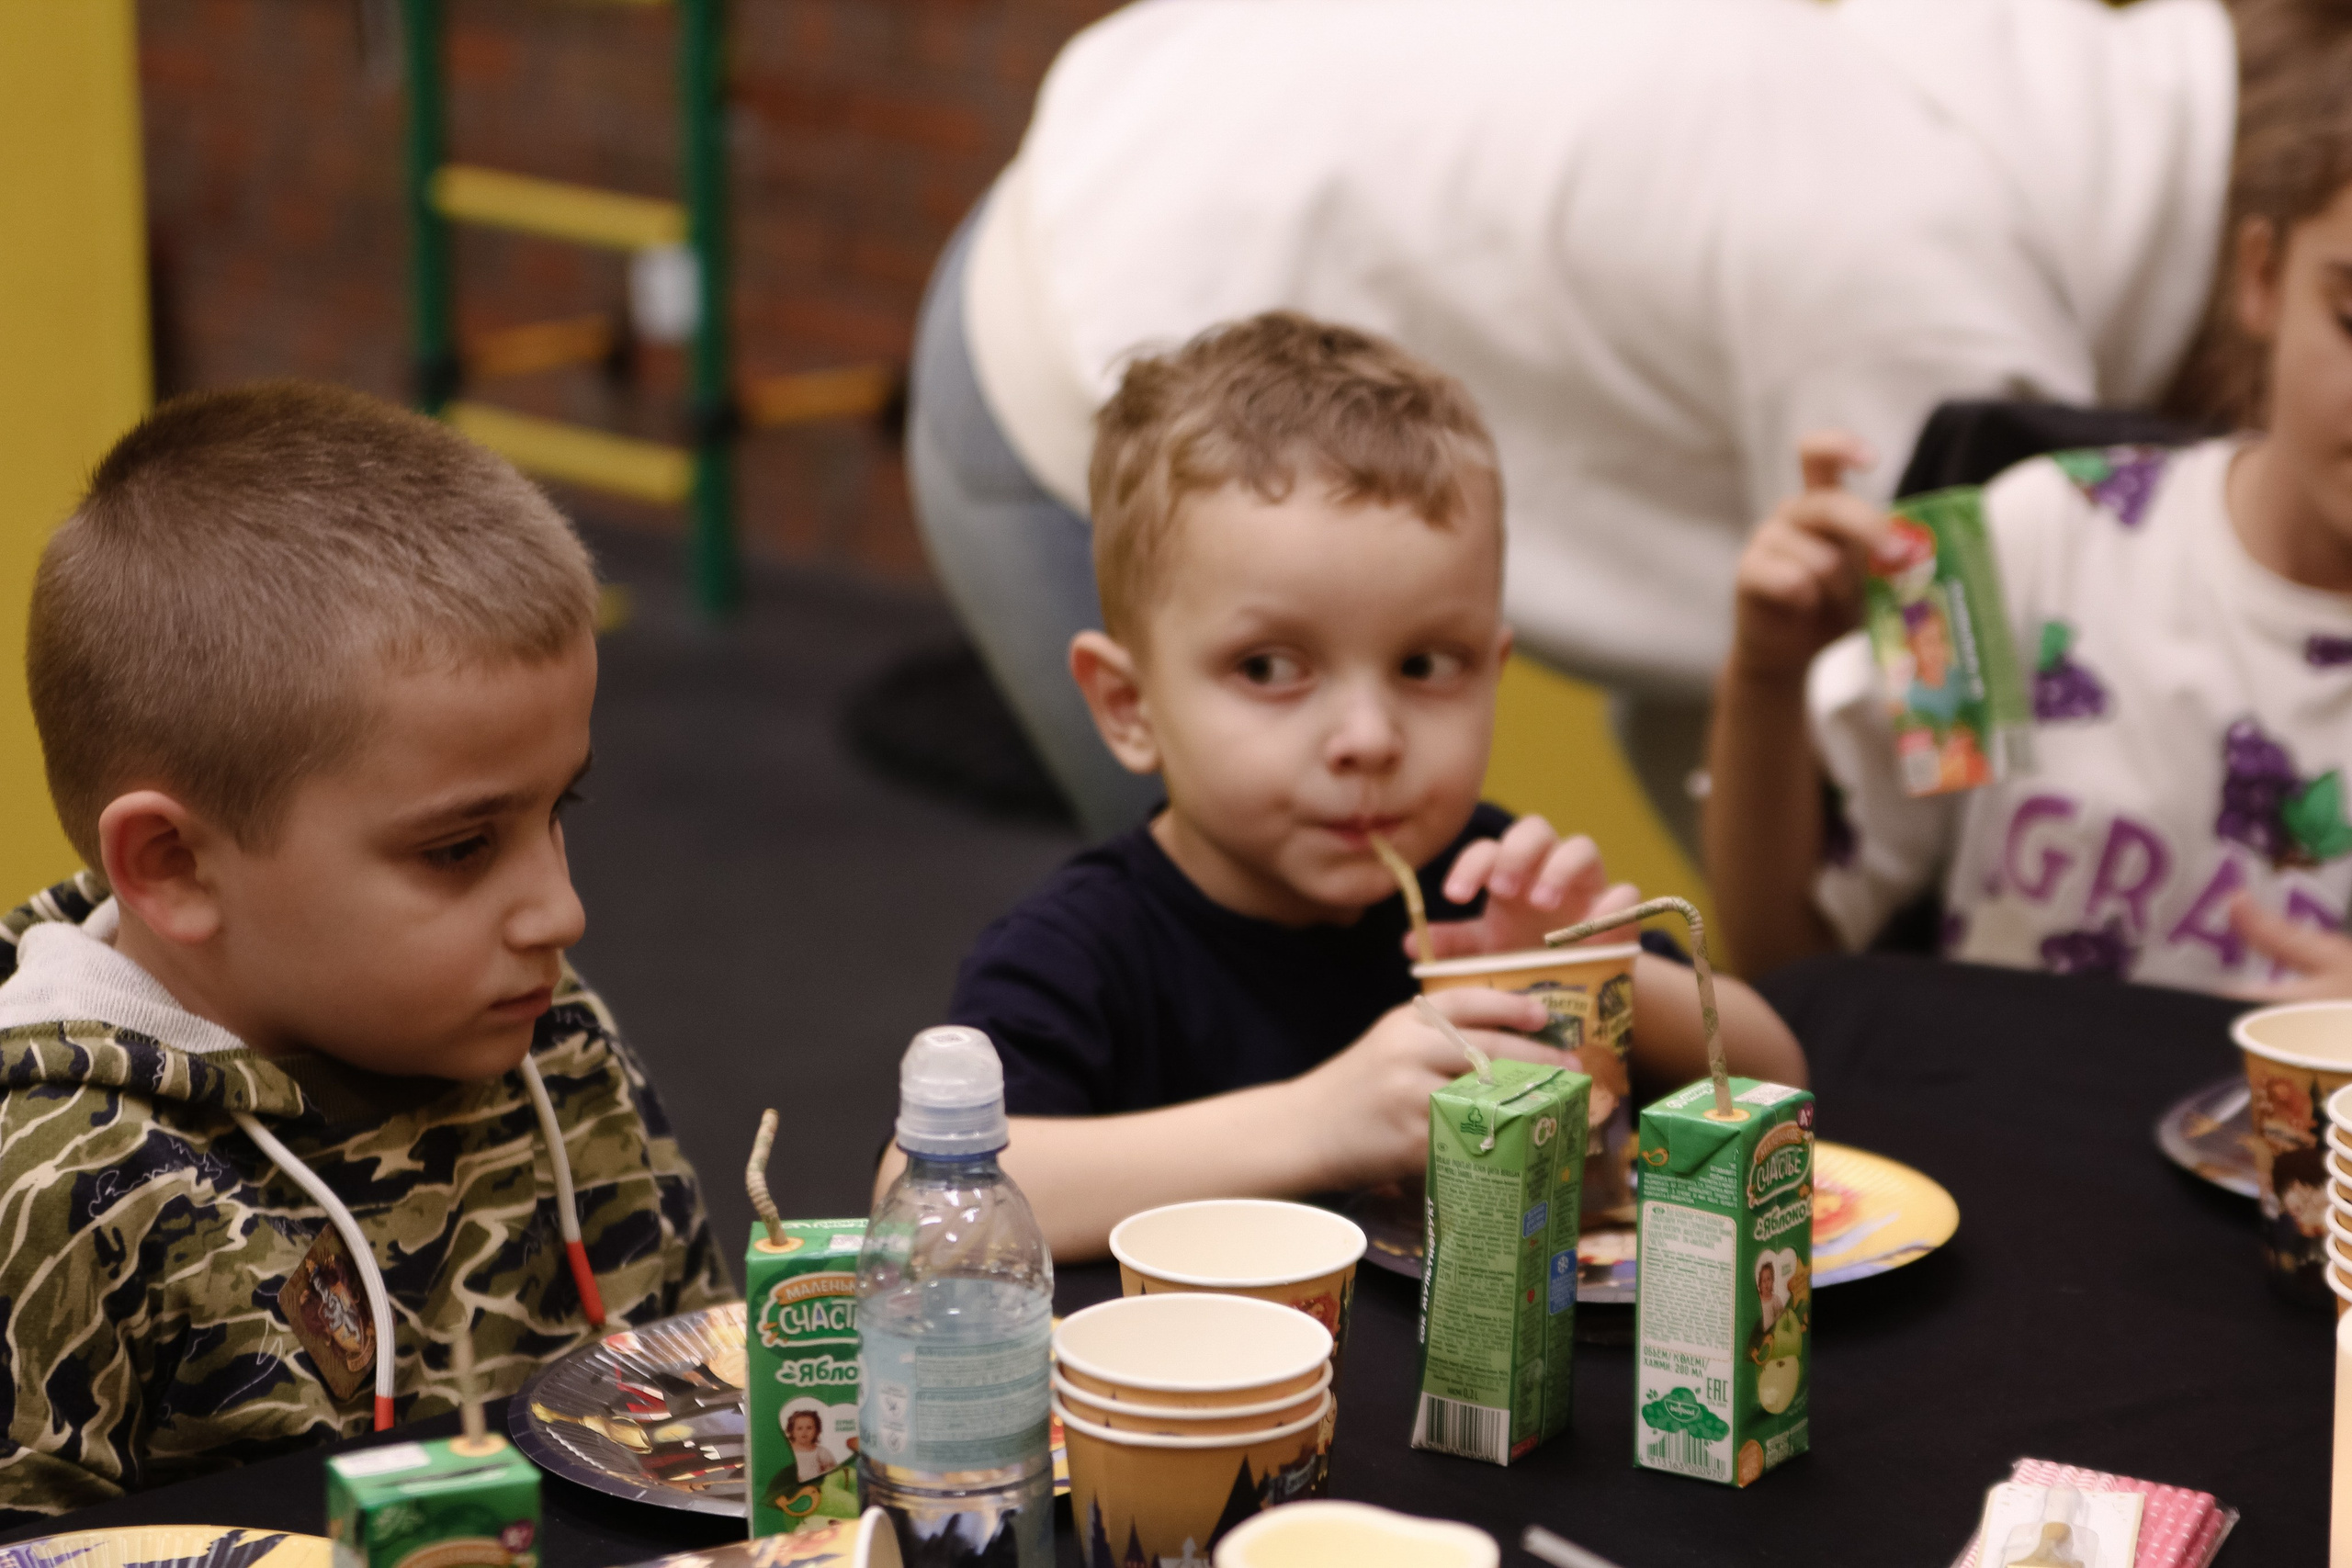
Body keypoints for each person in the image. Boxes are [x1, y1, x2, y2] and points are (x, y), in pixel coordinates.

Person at [907, 0, 2235, 841]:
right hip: (1087, 332)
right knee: (1239, 983)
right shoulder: (1945, 313)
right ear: (2270, 276)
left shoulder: (1999, 80)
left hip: (1144, 148)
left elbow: (1742, 713)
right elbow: (1967, 810)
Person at [896, 315, 1806, 1258]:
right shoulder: (1082, 950)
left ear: (1493, 674)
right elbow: (926, 1211)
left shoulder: (1480, 882)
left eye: (1423, 664)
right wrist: (1318, 1123)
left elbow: (1773, 1076)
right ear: (1129, 706)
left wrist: (1604, 981)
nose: (1369, 739)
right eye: (1268, 668)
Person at [0, 384, 729, 1518]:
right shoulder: (55, 1187)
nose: (558, 912)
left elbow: (711, 1425)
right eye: (457, 849)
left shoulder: (552, 1041)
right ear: (175, 867)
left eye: (559, 810)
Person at [1703, 0, 2352, 997]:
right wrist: (1763, 680)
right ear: (2260, 277)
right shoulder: (2027, 540)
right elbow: (1787, 958)